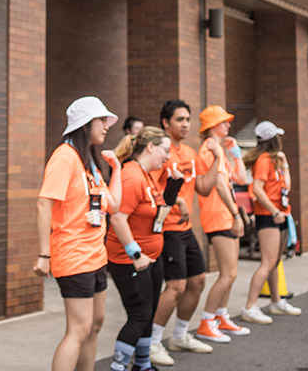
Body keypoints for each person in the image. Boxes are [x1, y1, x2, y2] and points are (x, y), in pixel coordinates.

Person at [35, 96, 123, 371]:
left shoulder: (90, 163)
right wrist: (43, 255)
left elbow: (114, 206)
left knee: (95, 325)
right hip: (73, 256)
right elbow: (43, 204)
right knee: (79, 329)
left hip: (96, 256)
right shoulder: (65, 156)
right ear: (85, 124)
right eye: (101, 120)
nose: (106, 126)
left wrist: (117, 169)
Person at [106, 126, 182, 370]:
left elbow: (157, 214)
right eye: (165, 150)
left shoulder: (147, 174)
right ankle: (117, 367)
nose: (168, 157)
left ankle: (143, 364)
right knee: (139, 315)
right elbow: (117, 217)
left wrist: (173, 188)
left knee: (148, 313)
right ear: (150, 147)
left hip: (151, 257)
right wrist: (135, 253)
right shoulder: (131, 175)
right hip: (130, 259)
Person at [150, 100, 220, 359]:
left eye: (188, 119)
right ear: (166, 123)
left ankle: (179, 335)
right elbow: (153, 189)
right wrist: (177, 201)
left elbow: (203, 187)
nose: (185, 124)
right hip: (166, 229)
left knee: (198, 281)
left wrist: (218, 158)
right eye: (179, 119)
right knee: (176, 286)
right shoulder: (159, 152)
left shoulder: (190, 153)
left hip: (186, 228)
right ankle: (153, 342)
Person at [194, 105, 249, 343]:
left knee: (231, 273)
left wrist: (235, 152)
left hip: (225, 215)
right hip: (219, 216)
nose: (229, 125)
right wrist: (236, 215)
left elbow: (241, 179)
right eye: (224, 122)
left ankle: (220, 316)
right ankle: (207, 321)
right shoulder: (209, 149)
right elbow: (218, 185)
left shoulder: (218, 149)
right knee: (227, 274)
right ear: (213, 126)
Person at [239, 121, 301, 324]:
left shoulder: (275, 160)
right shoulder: (264, 160)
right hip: (269, 214)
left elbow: (286, 187)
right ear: (273, 140)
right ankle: (250, 307)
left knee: (275, 261)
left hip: (281, 213)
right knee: (267, 262)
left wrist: (285, 165)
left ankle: (276, 301)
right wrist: (274, 210)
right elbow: (257, 189)